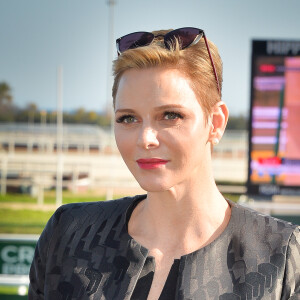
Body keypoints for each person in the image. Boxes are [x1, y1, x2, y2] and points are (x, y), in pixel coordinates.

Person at [29, 27, 300, 300]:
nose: (145, 138)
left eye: (170, 115)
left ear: (215, 123)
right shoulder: (69, 235)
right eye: (128, 118)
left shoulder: (281, 256)